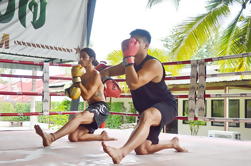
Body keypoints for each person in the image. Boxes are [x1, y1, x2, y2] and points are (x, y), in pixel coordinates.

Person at [100, 29, 187, 164]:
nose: (131, 44)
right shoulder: (128, 63)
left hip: (166, 106)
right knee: (142, 149)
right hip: (147, 110)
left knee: (147, 115)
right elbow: (106, 72)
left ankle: (121, 152)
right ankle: (172, 143)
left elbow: (134, 83)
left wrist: (128, 59)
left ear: (146, 46)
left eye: (136, 42)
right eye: (130, 41)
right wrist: (106, 80)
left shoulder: (153, 64)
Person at [34, 48, 116, 147]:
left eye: (84, 57)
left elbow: (86, 96)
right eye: (80, 57)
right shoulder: (81, 76)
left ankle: (52, 137)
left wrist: (77, 81)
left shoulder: (95, 74)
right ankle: (102, 136)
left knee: (78, 117)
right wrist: (70, 89)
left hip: (101, 108)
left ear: (91, 59)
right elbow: (75, 93)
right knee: (73, 137)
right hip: (91, 108)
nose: (80, 59)